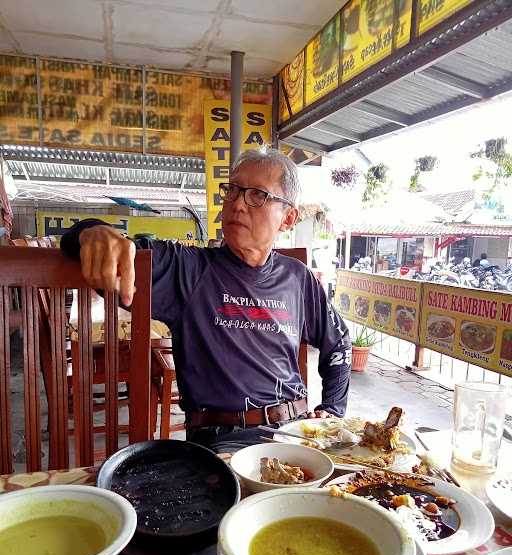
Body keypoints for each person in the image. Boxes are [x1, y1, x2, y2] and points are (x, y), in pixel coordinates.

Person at [60, 148, 351, 448]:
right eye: (233, 190)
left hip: (296, 433)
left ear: (288, 218)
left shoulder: (298, 277)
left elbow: (339, 341)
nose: (237, 204)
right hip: (222, 442)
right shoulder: (187, 270)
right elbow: (119, 257)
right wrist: (90, 231)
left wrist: (332, 410)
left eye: (257, 196)